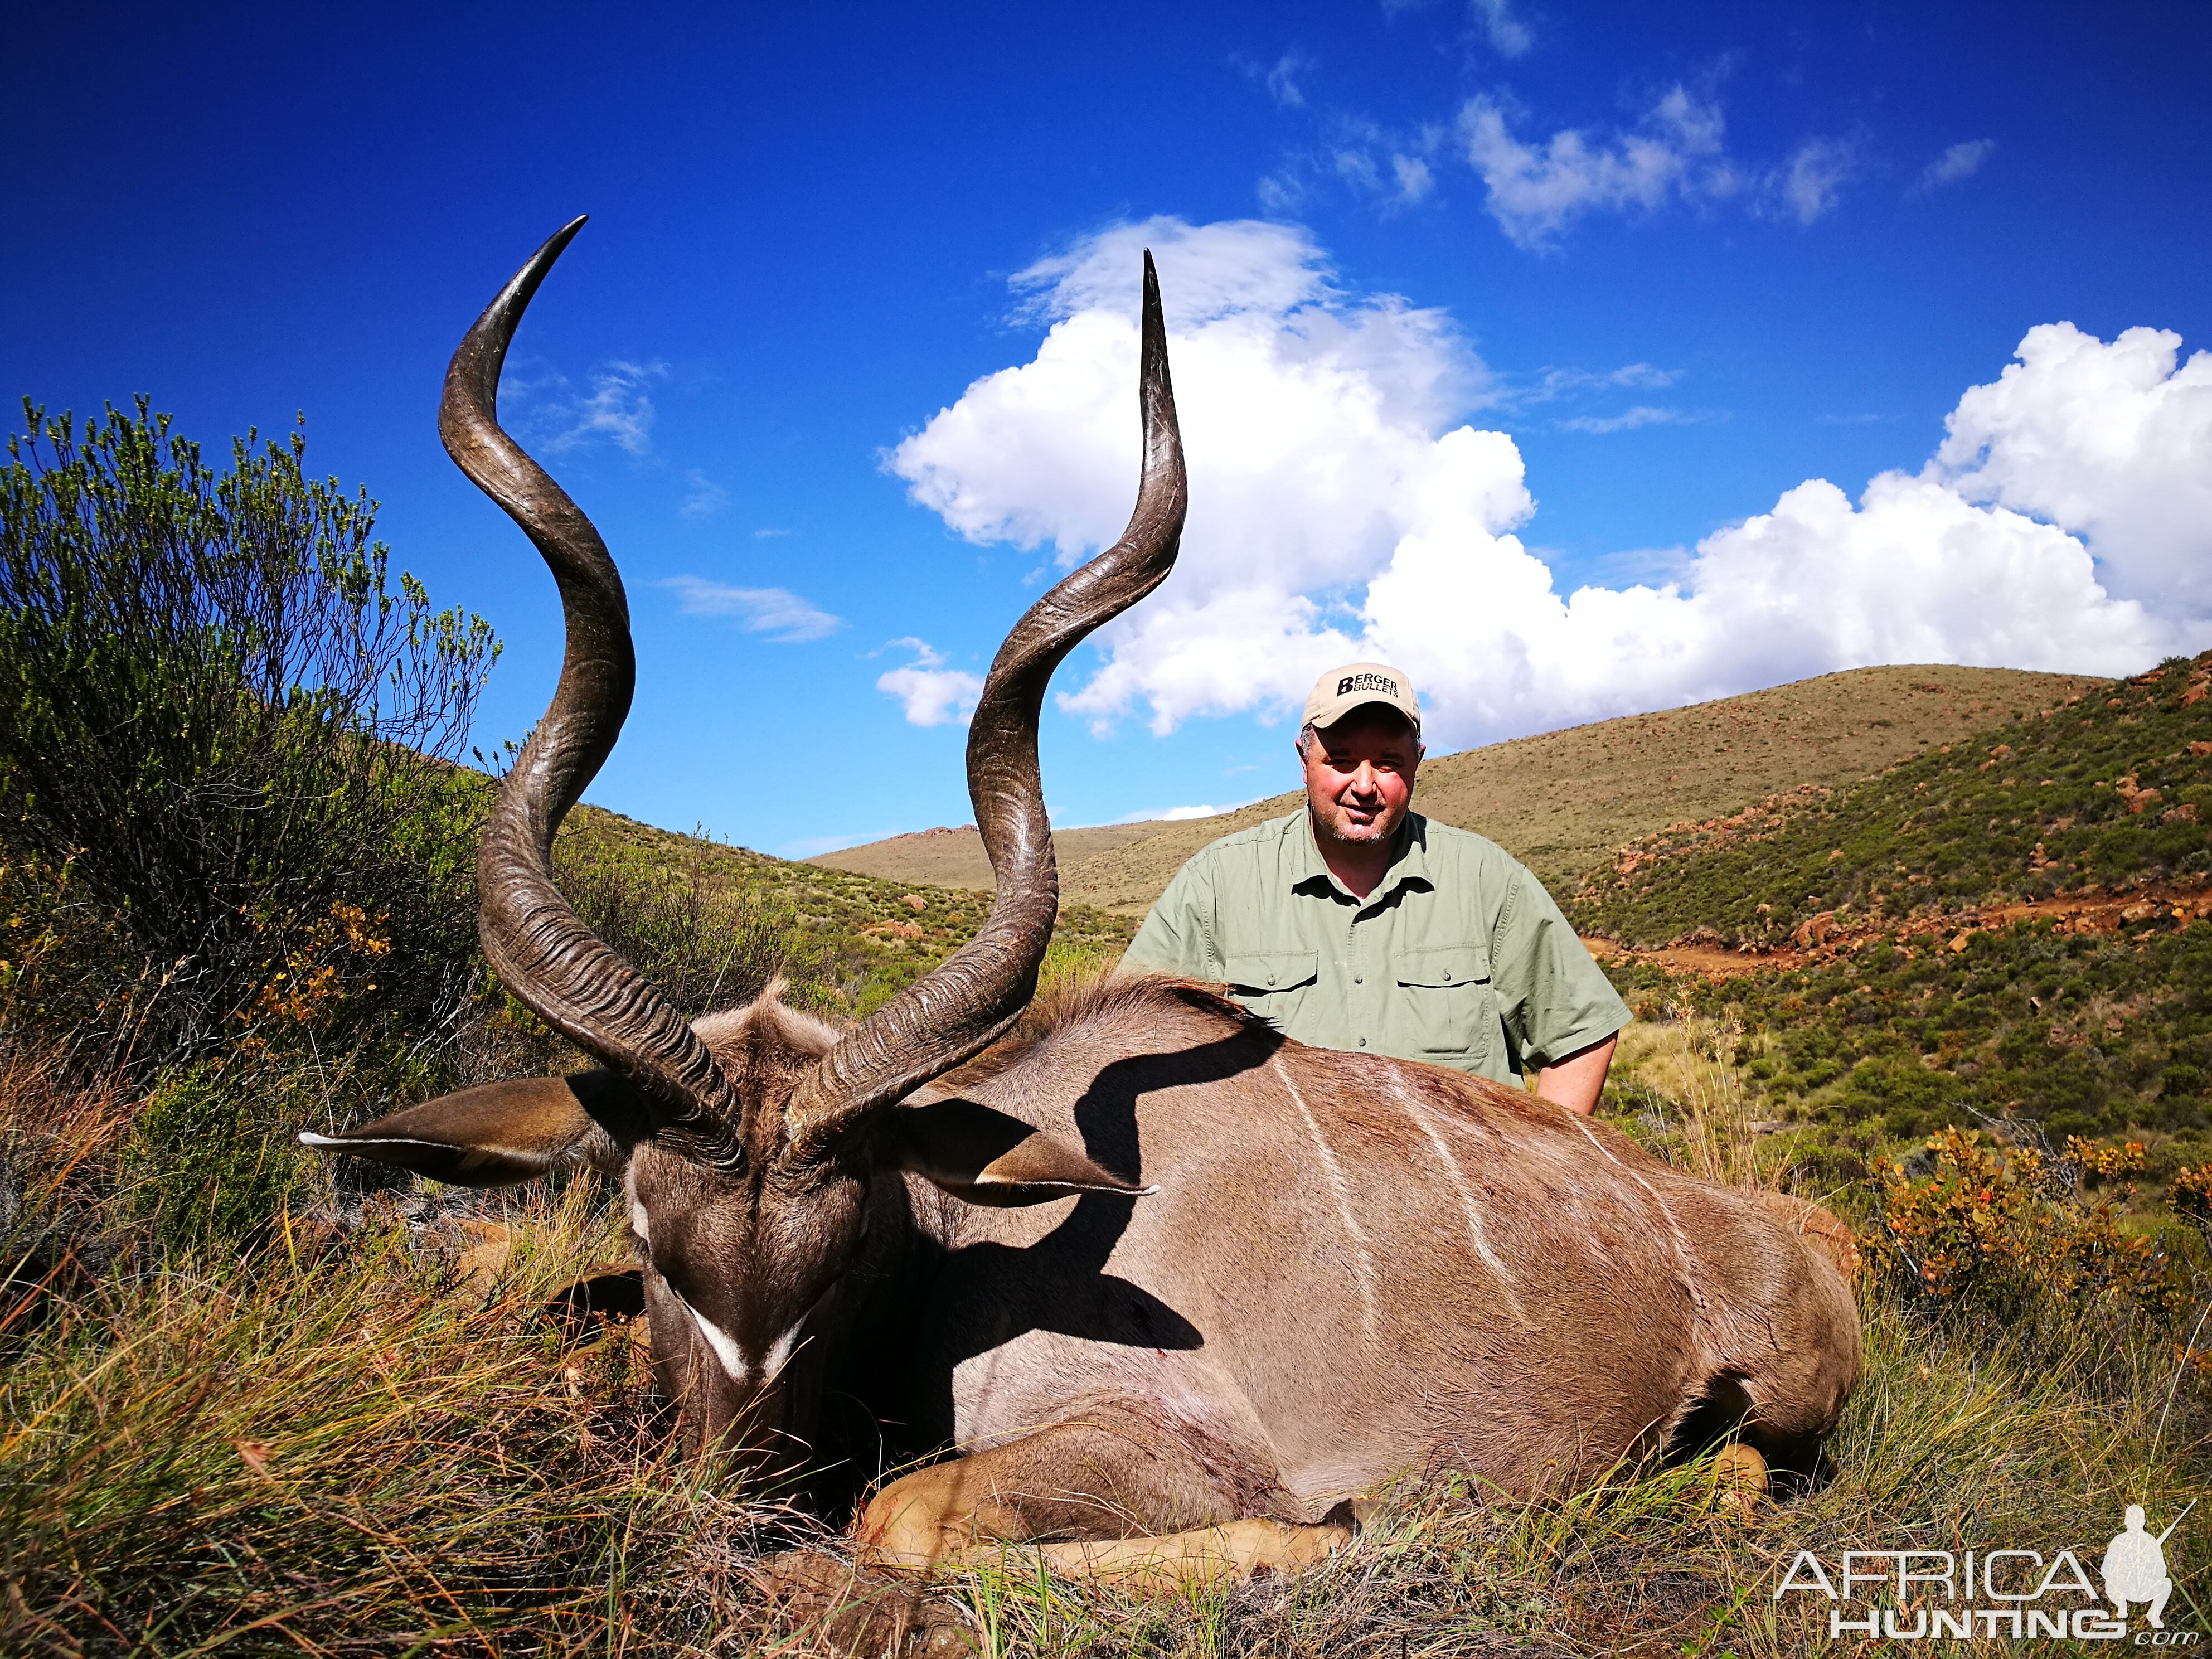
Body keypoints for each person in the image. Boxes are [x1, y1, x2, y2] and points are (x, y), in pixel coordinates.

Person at [1120, 662, 1629, 1114]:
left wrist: (1534, 1180)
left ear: (1418, 760)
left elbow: (1579, 1035)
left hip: (1462, 1210)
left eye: (1387, 762)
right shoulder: (1216, 884)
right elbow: (1128, 1038)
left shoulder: (1487, 880)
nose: (1364, 785)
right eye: (1340, 760)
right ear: (1303, 759)